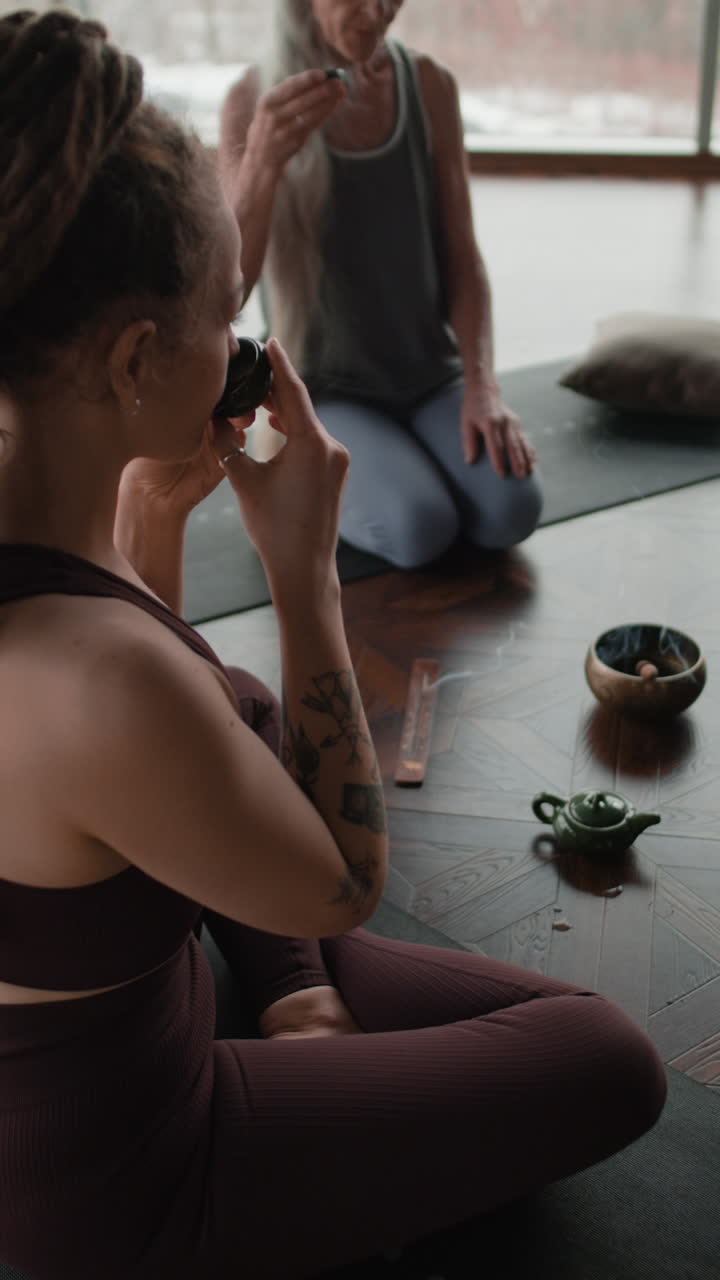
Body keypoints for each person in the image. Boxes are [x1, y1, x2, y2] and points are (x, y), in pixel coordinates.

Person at [0, 10, 665, 1280]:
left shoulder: (55, 544)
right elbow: (346, 885)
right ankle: (293, 995)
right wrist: (305, 575)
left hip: (150, 998)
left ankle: (295, 995)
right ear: (136, 358)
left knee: (241, 704)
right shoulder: (94, 678)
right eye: (226, 315)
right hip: (139, 1177)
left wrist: (150, 533)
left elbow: (132, 749)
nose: (242, 348)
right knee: (608, 1057)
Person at [218, 0, 542, 570]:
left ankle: (390, 462)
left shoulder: (430, 85)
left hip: (428, 373)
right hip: (325, 389)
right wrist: (263, 164)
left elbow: (463, 255)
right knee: (419, 528)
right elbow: (228, 293)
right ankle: (295, 470)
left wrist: (482, 386)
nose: (378, 11)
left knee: (511, 511)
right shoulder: (251, 100)